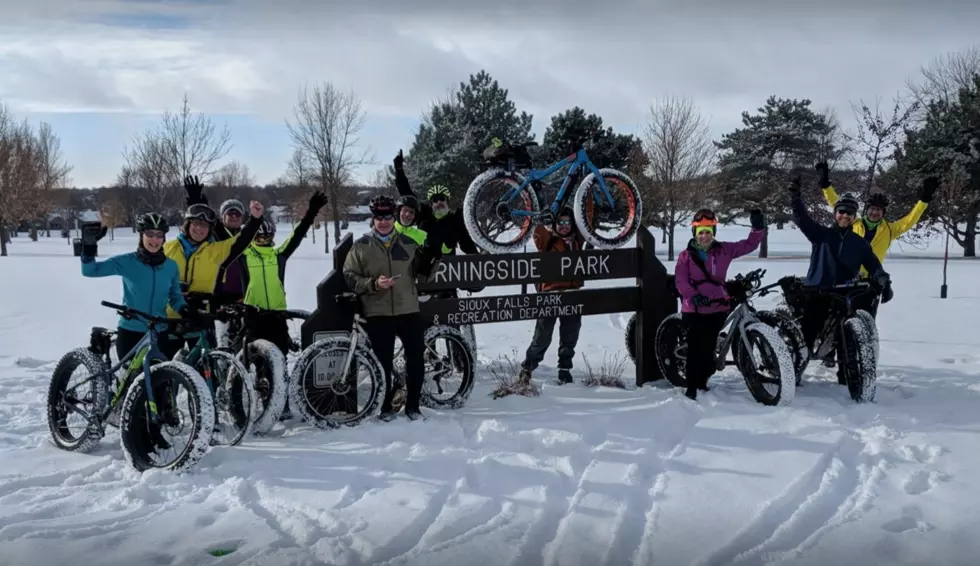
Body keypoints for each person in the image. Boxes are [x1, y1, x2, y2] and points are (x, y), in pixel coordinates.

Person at [79, 213, 198, 448]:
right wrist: (89, 247)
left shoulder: (170, 267)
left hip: (159, 331)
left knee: (159, 384)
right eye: (150, 235)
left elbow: (174, 296)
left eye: (159, 235)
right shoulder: (127, 262)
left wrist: (184, 310)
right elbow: (90, 271)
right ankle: (139, 434)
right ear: (141, 236)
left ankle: (154, 430)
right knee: (138, 384)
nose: (155, 240)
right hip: (132, 330)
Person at [342, 194, 440, 421]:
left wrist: (434, 258)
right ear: (373, 218)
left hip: (408, 310)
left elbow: (423, 273)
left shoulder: (408, 243)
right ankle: (385, 408)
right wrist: (373, 284)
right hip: (378, 312)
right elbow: (349, 276)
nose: (384, 221)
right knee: (382, 363)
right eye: (379, 217)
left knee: (415, 360)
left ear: (392, 216)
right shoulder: (361, 246)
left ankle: (413, 408)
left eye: (387, 216)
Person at [788, 177, 892, 384]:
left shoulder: (859, 243)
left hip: (844, 294)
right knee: (808, 332)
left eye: (849, 213)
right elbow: (802, 219)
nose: (845, 216)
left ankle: (847, 374)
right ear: (835, 214)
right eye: (841, 212)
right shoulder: (821, 235)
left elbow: (873, 265)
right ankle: (794, 371)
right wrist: (795, 198)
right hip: (818, 290)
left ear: (855, 217)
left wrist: (884, 281)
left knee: (847, 335)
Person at [817, 161, 935, 316]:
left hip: (870, 283)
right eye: (872, 209)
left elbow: (910, 220)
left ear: (883, 213)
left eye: (878, 210)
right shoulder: (854, 223)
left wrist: (924, 200)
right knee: (838, 317)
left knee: (865, 320)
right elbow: (837, 203)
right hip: (845, 278)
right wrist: (826, 185)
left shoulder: (889, 230)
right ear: (867, 210)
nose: (874, 213)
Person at [219, 191, 328, 355]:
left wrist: (311, 211)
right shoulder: (245, 254)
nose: (264, 241)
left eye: (268, 237)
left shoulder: (279, 255)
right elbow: (224, 236)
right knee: (252, 359)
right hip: (253, 315)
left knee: (280, 358)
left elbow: (297, 234)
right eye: (260, 237)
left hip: (277, 316)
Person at [673, 208, 765, 400]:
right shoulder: (685, 256)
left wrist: (757, 229)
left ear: (713, 233)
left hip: (717, 308)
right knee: (696, 348)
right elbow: (681, 281)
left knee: (707, 349)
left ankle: (703, 381)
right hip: (695, 309)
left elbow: (747, 245)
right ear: (695, 234)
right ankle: (692, 385)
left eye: (708, 232)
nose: (704, 237)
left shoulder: (723, 250)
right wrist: (692, 295)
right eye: (701, 233)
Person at [162, 199, 264, 358]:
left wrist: (255, 220)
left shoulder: (216, 250)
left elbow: (241, 241)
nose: (199, 229)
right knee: (164, 369)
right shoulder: (168, 248)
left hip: (200, 318)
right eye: (196, 223)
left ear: (210, 229)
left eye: (204, 225)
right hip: (169, 317)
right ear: (187, 224)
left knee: (205, 370)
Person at [515, 208, 586, 391]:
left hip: (572, 293)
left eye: (567, 222)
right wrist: (538, 214)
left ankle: (564, 368)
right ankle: (528, 367)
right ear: (554, 224)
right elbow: (537, 230)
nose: (564, 226)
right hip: (550, 294)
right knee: (542, 335)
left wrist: (589, 190)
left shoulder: (578, 239)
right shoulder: (548, 239)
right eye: (560, 223)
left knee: (570, 333)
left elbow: (588, 217)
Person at [182, 176, 249, 308]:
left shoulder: (248, 237)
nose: (234, 217)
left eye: (237, 214)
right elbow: (202, 216)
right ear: (223, 216)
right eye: (230, 214)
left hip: (244, 294)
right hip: (220, 295)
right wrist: (195, 200)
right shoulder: (216, 233)